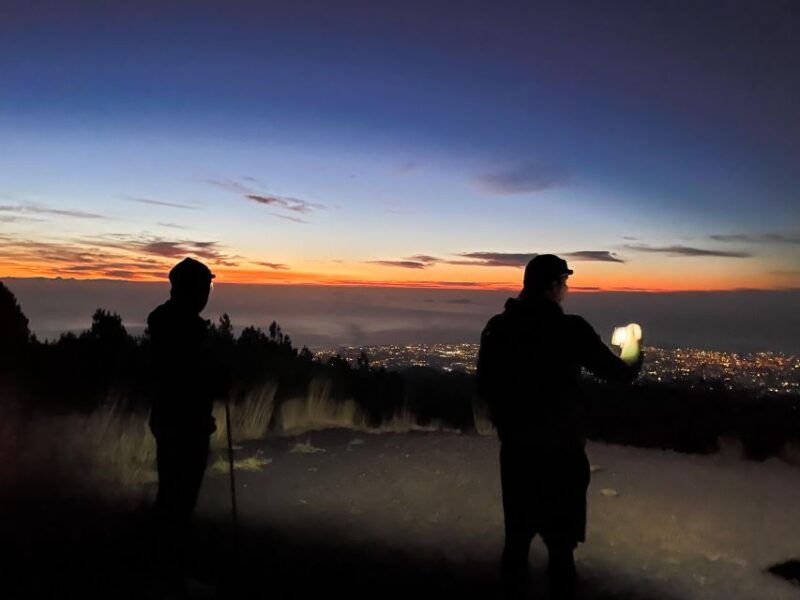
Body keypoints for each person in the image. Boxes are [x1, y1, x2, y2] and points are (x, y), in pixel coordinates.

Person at [477, 254, 643, 597]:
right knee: (561, 550)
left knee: (516, 545)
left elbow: (485, 387)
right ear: (554, 285)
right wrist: (633, 346)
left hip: (517, 452)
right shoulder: (569, 329)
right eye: (564, 282)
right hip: (561, 455)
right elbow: (620, 373)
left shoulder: (498, 327)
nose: (566, 288)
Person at [147, 257, 228, 598]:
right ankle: (171, 578)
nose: (208, 294)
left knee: (172, 500)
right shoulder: (187, 330)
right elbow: (193, 380)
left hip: (170, 422)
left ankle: (167, 573)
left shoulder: (166, 322)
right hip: (186, 425)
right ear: (193, 290)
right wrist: (217, 378)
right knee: (178, 502)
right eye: (206, 286)